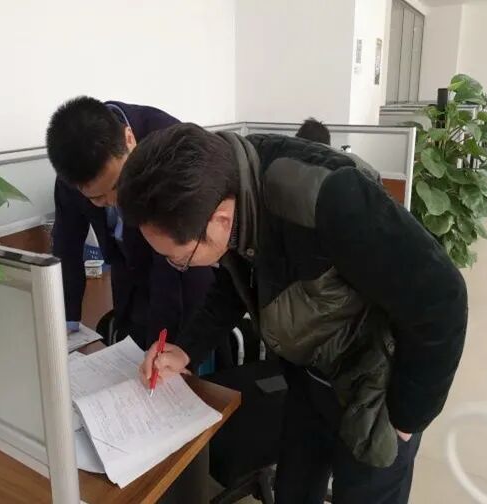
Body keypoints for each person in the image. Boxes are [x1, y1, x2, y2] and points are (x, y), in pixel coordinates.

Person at [116, 123, 468, 504]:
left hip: (374, 392)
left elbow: (442, 297)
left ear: (220, 221)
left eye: (179, 259)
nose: (177, 266)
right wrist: (185, 350)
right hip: (309, 378)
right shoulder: (226, 184)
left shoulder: (330, 198)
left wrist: (408, 416)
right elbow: (235, 283)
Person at [45, 98, 214, 350]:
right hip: (128, 270)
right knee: (129, 346)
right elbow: (67, 245)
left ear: (129, 139)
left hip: (184, 272)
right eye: (97, 198)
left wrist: (157, 345)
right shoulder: (71, 169)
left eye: (117, 185)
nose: (114, 200)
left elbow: (168, 264)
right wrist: (67, 323)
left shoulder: (172, 148)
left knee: (181, 353)